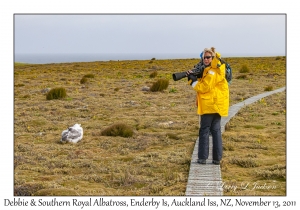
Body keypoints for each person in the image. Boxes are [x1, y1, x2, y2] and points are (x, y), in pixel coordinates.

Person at [186, 47, 229, 165]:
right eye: (204, 57)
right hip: (217, 105)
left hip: (210, 104)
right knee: (216, 131)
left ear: (213, 57)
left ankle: (202, 158)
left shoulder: (212, 71)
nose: (205, 59)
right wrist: (196, 77)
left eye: (208, 57)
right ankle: (217, 159)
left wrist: (193, 81)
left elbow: (204, 87)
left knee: (204, 130)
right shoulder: (216, 69)